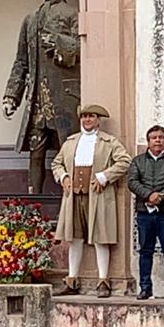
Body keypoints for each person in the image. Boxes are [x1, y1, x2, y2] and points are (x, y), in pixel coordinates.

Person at [2, 0, 81, 193]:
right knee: (36, 151)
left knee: (66, 151)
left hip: (64, 98)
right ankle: (33, 203)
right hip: (37, 99)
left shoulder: (71, 14)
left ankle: (69, 202)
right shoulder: (31, 20)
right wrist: (11, 96)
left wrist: (58, 42)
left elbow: (84, 48)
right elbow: (21, 60)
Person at [51, 105, 132, 298]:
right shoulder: (71, 142)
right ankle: (72, 279)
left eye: (91, 117)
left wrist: (105, 176)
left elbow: (125, 161)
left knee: (100, 237)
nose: (87, 120)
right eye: (84, 116)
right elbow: (57, 163)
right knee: (75, 237)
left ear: (98, 120)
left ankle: (103, 280)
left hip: (99, 196)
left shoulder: (109, 142)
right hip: (74, 196)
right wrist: (63, 177)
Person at [127, 125, 164, 300]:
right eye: (154, 138)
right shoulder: (137, 161)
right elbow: (132, 182)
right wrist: (148, 195)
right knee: (145, 251)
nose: (158, 140)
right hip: (145, 213)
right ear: (148, 141)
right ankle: (145, 287)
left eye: (161, 137)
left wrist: (160, 196)